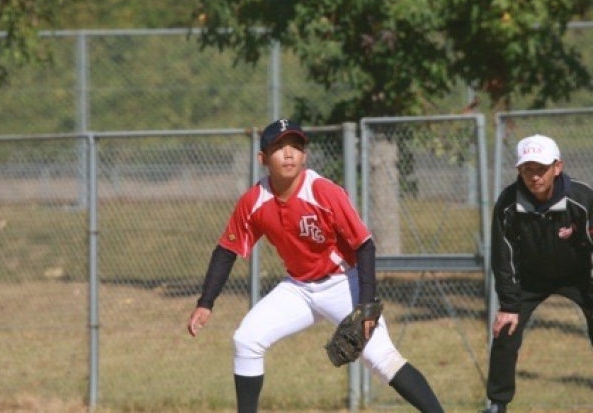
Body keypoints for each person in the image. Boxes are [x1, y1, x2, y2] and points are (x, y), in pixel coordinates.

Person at [187, 119, 445, 413]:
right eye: (279, 147)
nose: (289, 154)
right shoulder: (254, 201)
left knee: (383, 359)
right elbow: (226, 250)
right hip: (298, 287)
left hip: (343, 282)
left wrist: (367, 303)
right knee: (246, 340)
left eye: (296, 147)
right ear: (262, 159)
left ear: (305, 156)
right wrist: (205, 302)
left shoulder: (323, 191)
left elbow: (364, 245)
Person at [481, 134, 593, 413]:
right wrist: (509, 305)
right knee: (506, 328)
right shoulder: (508, 202)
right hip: (531, 276)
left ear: (557, 167)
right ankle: (497, 403)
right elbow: (503, 255)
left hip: (580, 272)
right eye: (527, 169)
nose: (534, 176)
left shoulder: (582, 198)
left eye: (541, 168)